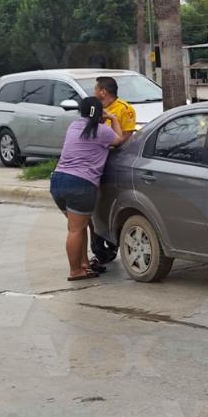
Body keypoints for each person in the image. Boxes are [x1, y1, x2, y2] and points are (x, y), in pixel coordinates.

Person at [49, 97, 123, 281]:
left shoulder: (73, 126)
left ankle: (83, 266)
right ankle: (75, 271)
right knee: (75, 230)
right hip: (81, 183)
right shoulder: (103, 131)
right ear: (100, 113)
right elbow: (120, 140)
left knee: (78, 228)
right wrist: (113, 119)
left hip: (58, 181)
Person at [88, 76, 137, 271]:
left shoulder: (124, 109)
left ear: (102, 91)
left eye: (95, 88)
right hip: (94, 164)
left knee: (107, 205)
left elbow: (124, 138)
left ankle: (110, 246)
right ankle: (99, 250)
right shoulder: (96, 110)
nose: (94, 91)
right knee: (93, 210)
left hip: (111, 164)